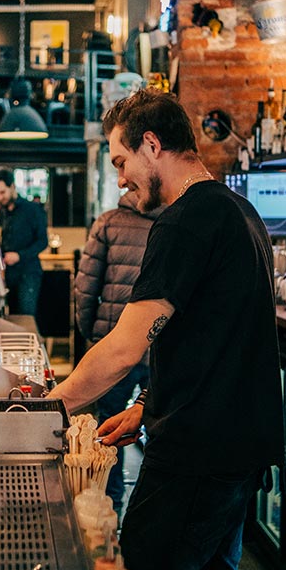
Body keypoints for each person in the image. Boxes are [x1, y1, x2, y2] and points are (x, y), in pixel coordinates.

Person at [51, 89, 285, 570]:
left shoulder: (182, 222)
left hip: (198, 452)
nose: (121, 178)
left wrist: (47, 406)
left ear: (154, 146)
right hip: (243, 445)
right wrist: (150, 405)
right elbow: (224, 336)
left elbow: (126, 346)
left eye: (124, 160)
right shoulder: (240, 212)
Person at [75, 190, 161, 519]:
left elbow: (85, 288)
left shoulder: (108, 223)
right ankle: (147, 514)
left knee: (109, 432)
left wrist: (90, 333)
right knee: (156, 428)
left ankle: (108, 513)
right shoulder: (171, 226)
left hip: (113, 346)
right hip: (159, 350)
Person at [0, 165, 48, 318]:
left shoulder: (32, 210)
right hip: (10, 275)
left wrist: (19, 256)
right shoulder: (2, 213)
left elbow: (43, 241)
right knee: (12, 319)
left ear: (13, 187)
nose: (0, 197)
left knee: (25, 318)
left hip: (28, 274)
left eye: (2, 192)